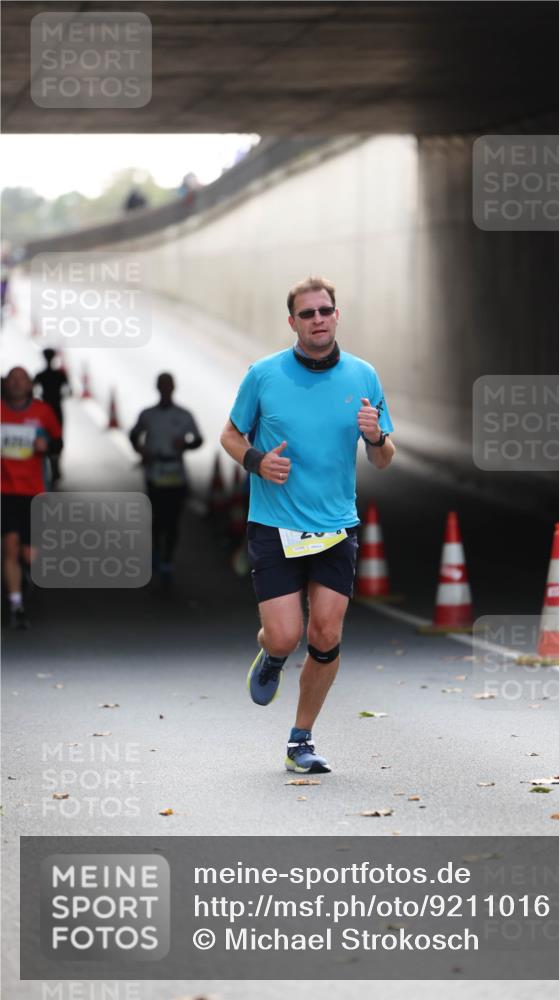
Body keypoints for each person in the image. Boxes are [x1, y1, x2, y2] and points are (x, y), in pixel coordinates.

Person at [220, 276, 396, 774]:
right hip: (274, 525)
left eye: (325, 311)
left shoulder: (363, 376)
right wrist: (256, 461)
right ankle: (272, 655)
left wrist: (376, 437)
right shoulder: (264, 374)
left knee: (325, 633)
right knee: (284, 636)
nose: (318, 319)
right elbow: (230, 434)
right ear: (292, 322)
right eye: (307, 313)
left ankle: (301, 740)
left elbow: (383, 458)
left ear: (336, 315)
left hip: (336, 527)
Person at [1, 366, 62, 628]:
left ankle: (25, 577)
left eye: (22, 379)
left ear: (29, 385)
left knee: (28, 554)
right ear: (5, 384)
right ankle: (16, 604)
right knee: (10, 545)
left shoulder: (42, 412)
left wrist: (46, 446)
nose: (16, 383)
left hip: (33, 491)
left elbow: (59, 442)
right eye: (12, 379)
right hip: (4, 491)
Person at [129, 373, 203, 585]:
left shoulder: (184, 415)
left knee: (173, 519)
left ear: (173, 388)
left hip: (176, 473)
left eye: (168, 386)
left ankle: (167, 559)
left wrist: (185, 444)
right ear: (157, 388)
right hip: (155, 472)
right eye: (162, 386)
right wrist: (140, 450)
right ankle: (156, 551)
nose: (165, 390)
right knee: (157, 517)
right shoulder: (148, 415)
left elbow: (198, 439)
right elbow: (133, 434)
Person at [33, 348, 70, 483]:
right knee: (57, 437)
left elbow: (31, 391)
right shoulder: (60, 375)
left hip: (45, 409)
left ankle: (51, 466)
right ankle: (55, 466)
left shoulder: (41, 375)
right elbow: (69, 391)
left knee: (46, 436)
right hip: (56, 409)